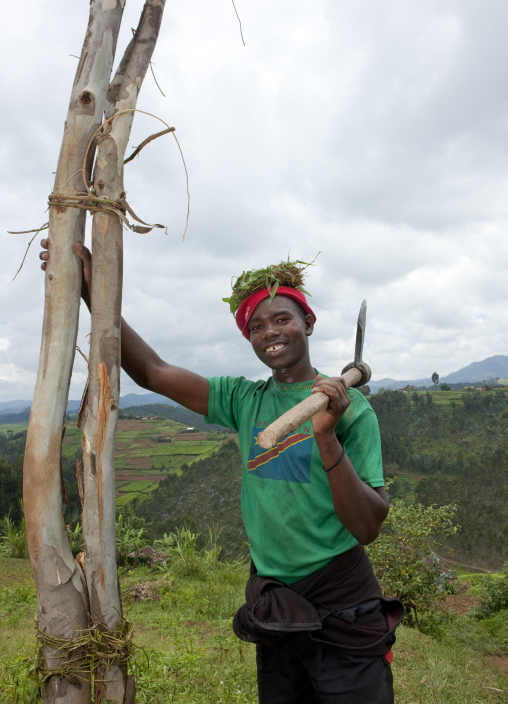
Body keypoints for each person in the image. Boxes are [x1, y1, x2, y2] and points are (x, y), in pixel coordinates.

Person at [40, 241, 402, 703]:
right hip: (278, 604)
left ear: (308, 323)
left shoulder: (352, 413)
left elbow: (369, 526)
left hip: (343, 603)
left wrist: (326, 436)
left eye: (283, 319)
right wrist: (95, 294)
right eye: (256, 326)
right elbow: (152, 371)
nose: (270, 332)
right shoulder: (243, 399)